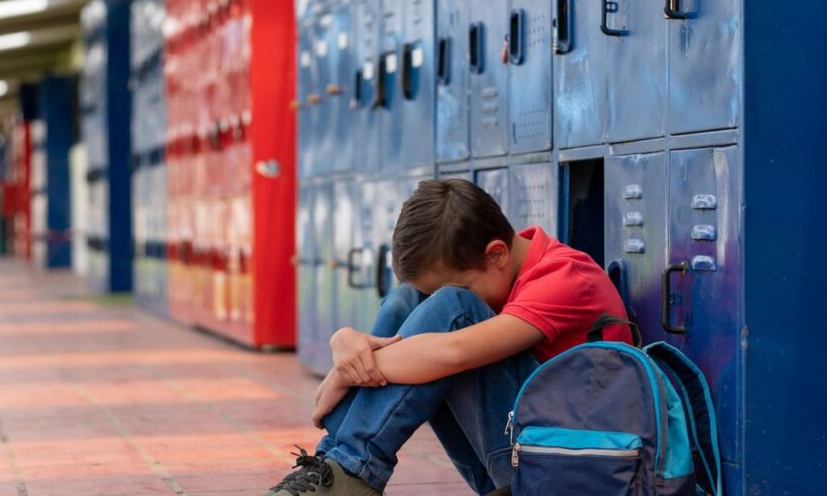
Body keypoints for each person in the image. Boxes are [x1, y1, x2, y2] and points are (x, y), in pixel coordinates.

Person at [267, 179, 632, 496]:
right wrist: (344, 340)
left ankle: (350, 471)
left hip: (570, 474)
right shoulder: (504, 273)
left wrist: (347, 369)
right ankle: (333, 465)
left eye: (464, 281)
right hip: (519, 461)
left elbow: (453, 353)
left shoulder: (566, 277)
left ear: (497, 254)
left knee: (454, 307)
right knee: (406, 300)